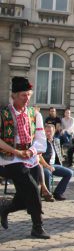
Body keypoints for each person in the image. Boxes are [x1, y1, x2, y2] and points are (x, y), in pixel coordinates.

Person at [0, 76, 49, 239]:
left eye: (29, 94)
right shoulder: (3, 113)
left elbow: (41, 138)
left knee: (23, 198)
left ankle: (5, 208)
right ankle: (37, 226)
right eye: (23, 95)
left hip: (30, 157)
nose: (27, 98)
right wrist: (16, 152)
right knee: (33, 189)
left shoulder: (34, 114)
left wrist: (32, 151)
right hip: (10, 159)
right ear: (13, 95)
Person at [39, 124, 74, 201]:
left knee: (69, 173)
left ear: (54, 131)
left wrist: (61, 164)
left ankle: (58, 193)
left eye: (50, 131)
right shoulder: (41, 141)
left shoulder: (56, 140)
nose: (48, 133)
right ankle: (47, 194)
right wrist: (47, 166)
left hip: (54, 165)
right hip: (43, 165)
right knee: (47, 173)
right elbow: (39, 157)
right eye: (47, 131)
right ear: (44, 131)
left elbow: (59, 153)